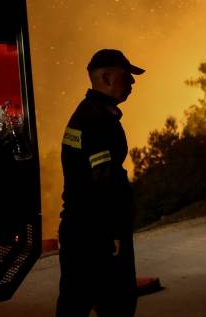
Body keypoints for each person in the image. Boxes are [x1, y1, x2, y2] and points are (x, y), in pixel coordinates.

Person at [56, 49, 145, 317]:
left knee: (74, 302)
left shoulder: (87, 114)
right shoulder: (97, 121)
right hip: (96, 234)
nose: (132, 83)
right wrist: (114, 231)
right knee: (118, 304)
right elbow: (103, 183)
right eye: (126, 76)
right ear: (106, 77)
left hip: (79, 231)